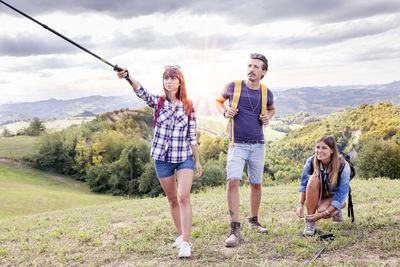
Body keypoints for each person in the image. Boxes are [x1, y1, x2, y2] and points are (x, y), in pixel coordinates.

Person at [117, 65, 202, 257]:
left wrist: (197, 161)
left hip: (183, 158)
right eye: (166, 78)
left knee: (183, 196)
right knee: (172, 200)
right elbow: (141, 92)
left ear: (180, 82)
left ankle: (186, 243)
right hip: (162, 159)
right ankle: (181, 235)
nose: (169, 81)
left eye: (173, 78)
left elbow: (193, 136)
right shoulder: (159, 102)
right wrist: (128, 77)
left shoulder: (188, 106)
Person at [215, 53, 276, 247]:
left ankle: (254, 221)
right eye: (250, 65)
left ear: (263, 72)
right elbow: (218, 101)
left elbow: (272, 109)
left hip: (258, 144)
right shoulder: (233, 86)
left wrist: (268, 117)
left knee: (256, 184)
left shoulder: (267, 92)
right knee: (232, 181)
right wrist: (225, 111)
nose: (252, 69)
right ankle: (234, 229)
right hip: (237, 144)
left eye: (256, 67)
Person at [296, 135, 351, 236]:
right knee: (312, 179)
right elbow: (303, 186)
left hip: (336, 196)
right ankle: (310, 222)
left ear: (332, 150)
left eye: (324, 148)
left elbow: (340, 198)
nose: (319, 151)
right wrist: (300, 204)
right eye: (318, 147)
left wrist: (321, 215)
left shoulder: (344, 166)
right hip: (320, 193)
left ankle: (336, 212)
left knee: (323, 210)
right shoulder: (311, 161)